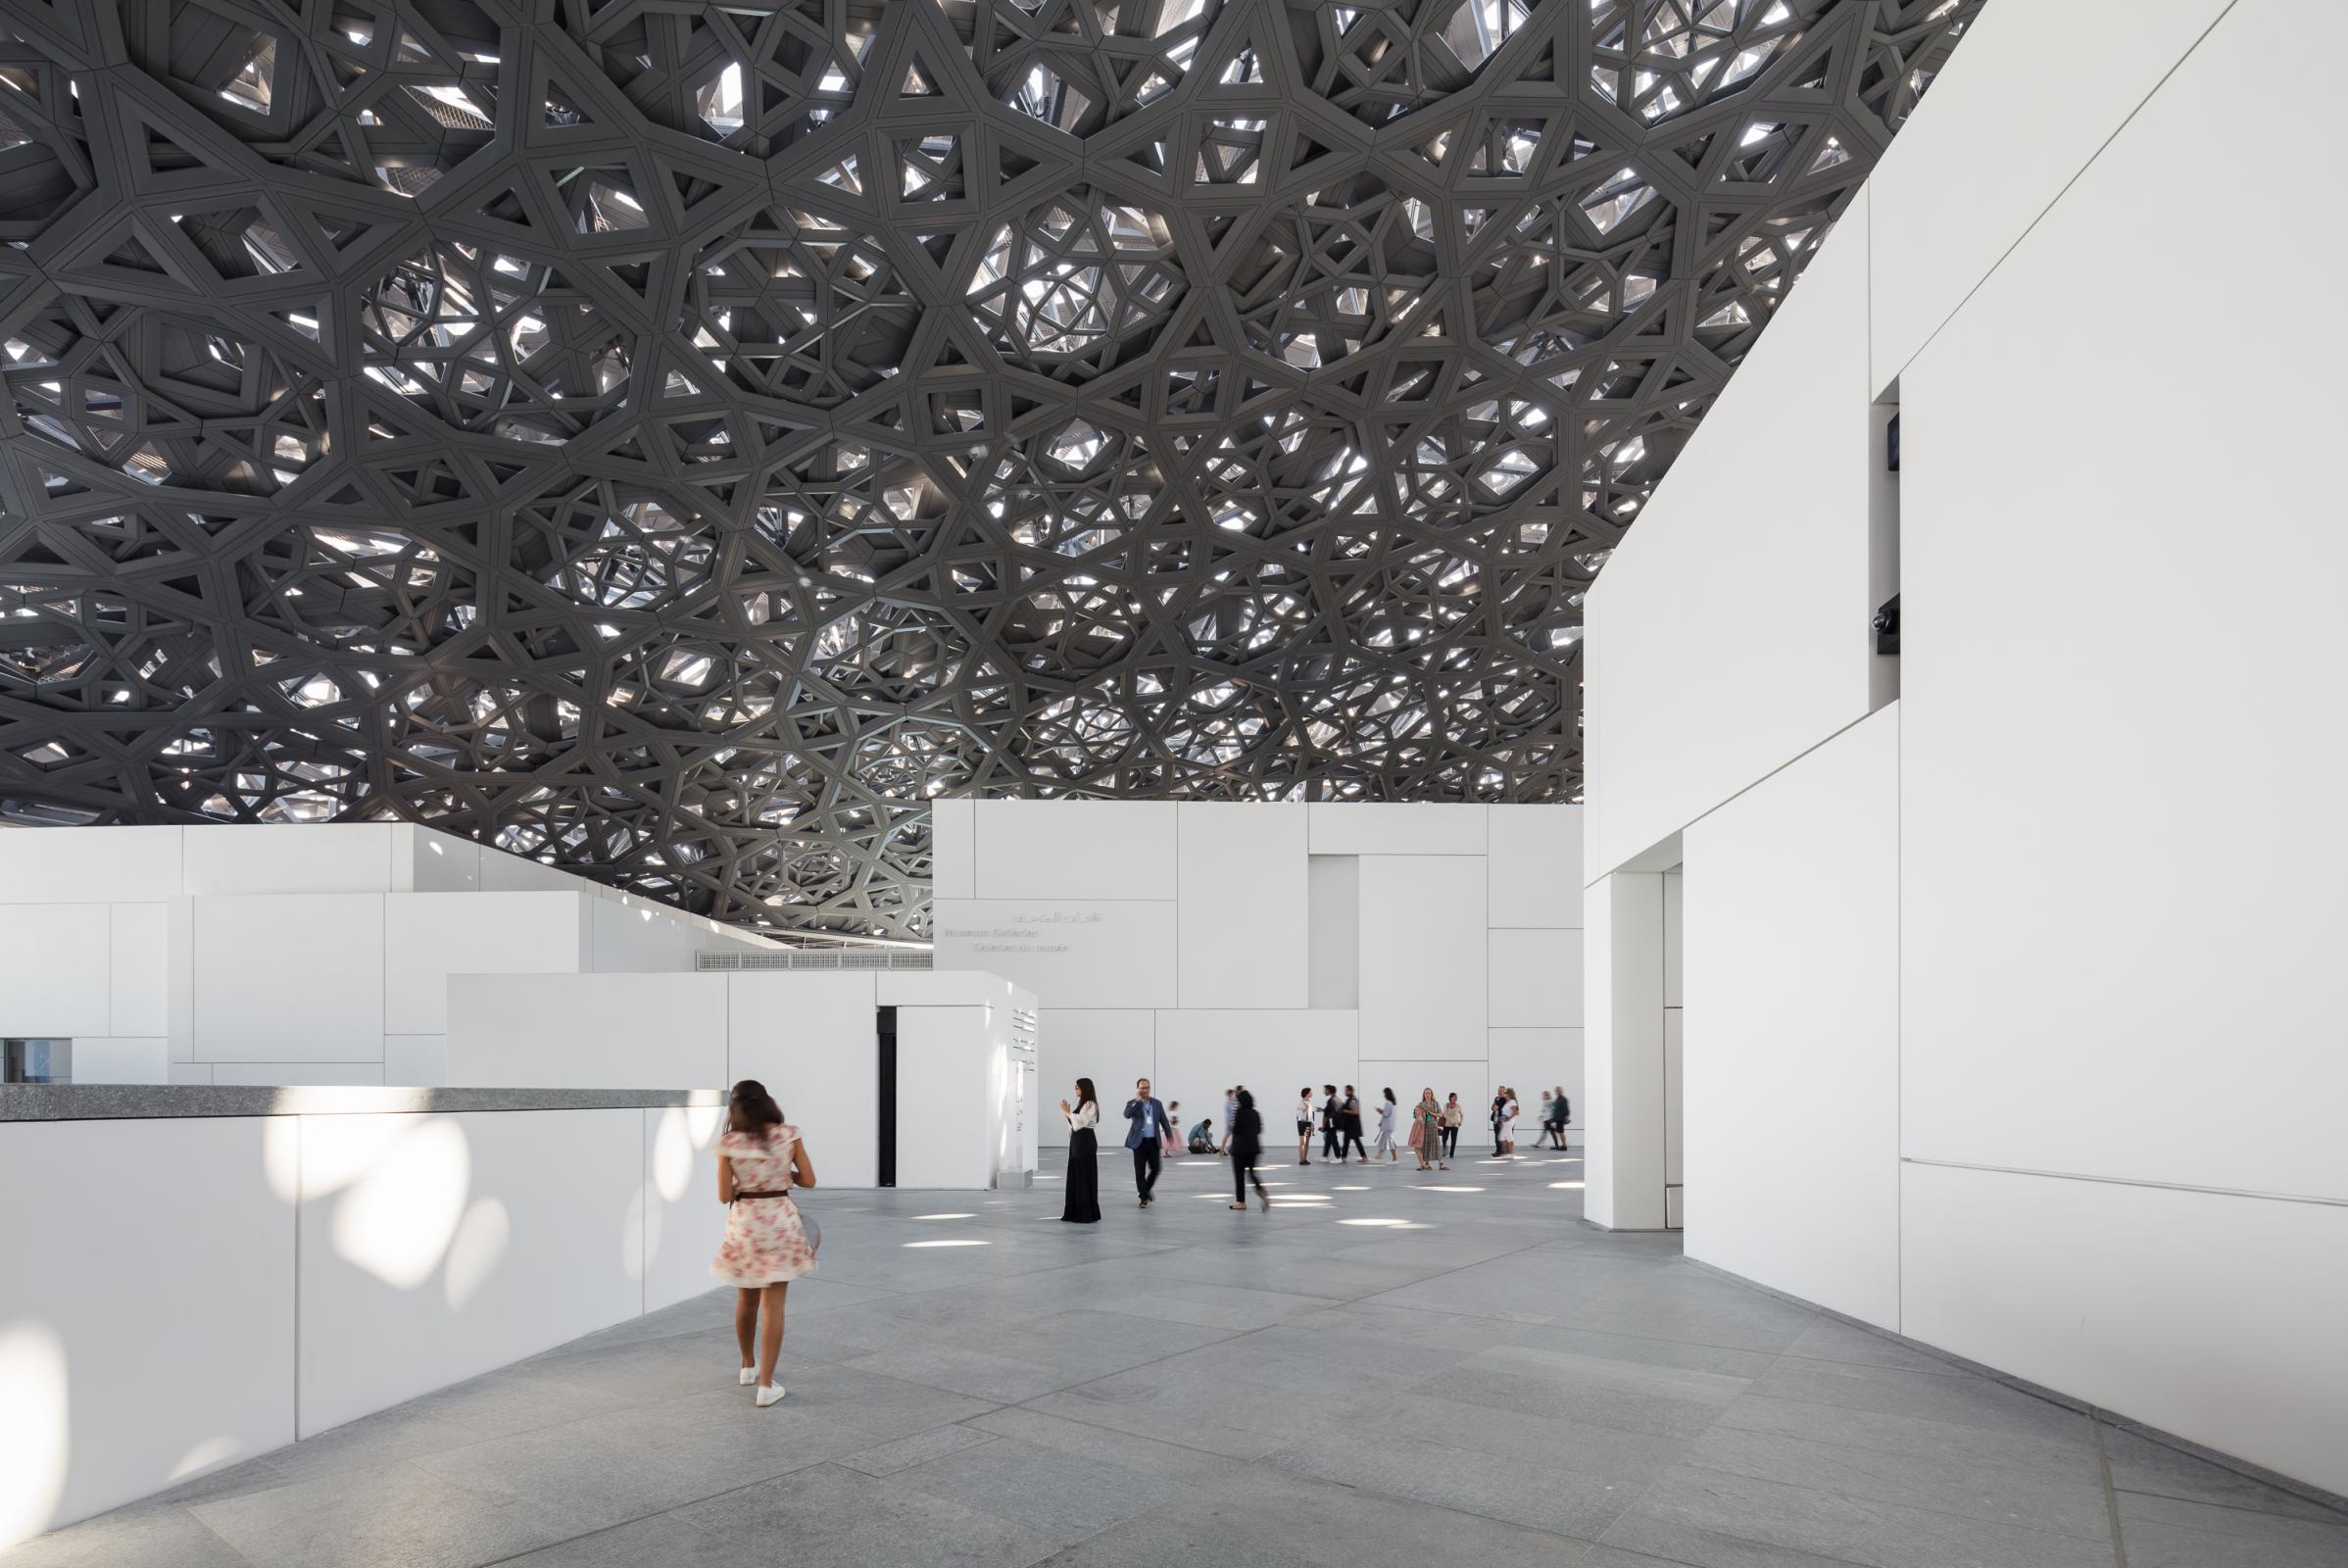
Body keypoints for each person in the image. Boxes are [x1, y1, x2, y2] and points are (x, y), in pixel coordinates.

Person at [711, 1079, 817, 1408]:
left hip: (746, 1223)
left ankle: (747, 1366)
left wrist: (740, 1178)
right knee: (774, 1305)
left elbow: (724, 1196)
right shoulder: (789, 1134)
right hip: (780, 1221)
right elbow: (810, 1180)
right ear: (768, 1101)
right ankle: (767, 1385)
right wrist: (786, 1174)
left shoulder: (729, 1142)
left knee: (746, 1298)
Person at [1124, 1078, 1171, 1206]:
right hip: (1139, 1143)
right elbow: (1127, 1115)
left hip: (1153, 1142)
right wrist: (1136, 1101)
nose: (1145, 1090)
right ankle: (1144, 1198)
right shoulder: (1132, 1103)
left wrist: (1169, 1135)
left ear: (1149, 1088)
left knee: (1156, 1168)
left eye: (1147, 1087)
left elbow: (1164, 1120)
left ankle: (1146, 1190)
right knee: (1140, 1172)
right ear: (1137, 1089)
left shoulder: (1157, 1103)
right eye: (1142, 1088)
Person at [1059, 1077, 1101, 1223]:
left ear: (1085, 1088)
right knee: (1076, 1175)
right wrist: (1068, 1114)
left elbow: (1080, 1122)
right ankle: (1075, 1212)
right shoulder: (1082, 1103)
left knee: (1083, 1176)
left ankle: (1085, 1213)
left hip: (1085, 1142)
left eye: (1078, 1087)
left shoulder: (1090, 1104)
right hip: (1077, 1141)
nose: (1075, 1089)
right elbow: (1074, 1123)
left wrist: (1067, 1112)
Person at [1227, 1088, 1269, 1211]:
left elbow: (1236, 1131)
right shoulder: (1256, 1113)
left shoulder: (1240, 1112)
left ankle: (1241, 1203)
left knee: (1239, 1176)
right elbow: (1259, 1130)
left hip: (1240, 1149)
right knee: (1252, 1173)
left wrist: (1232, 1126)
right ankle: (1261, 1191)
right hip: (1254, 1148)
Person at [1413, 1089, 1445, 1171]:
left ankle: (1441, 1164)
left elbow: (1441, 1114)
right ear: (1423, 1094)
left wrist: (1432, 1114)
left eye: (1429, 1093)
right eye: (1426, 1093)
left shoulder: (1435, 1103)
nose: (1427, 1094)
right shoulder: (1421, 1105)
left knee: (1437, 1144)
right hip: (1424, 1128)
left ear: (1431, 1094)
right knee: (1425, 1145)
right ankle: (1426, 1164)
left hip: (1434, 1127)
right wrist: (1418, 1115)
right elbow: (1415, 1115)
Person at [1340, 1085, 1368, 1163]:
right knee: (1350, 1141)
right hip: (1350, 1125)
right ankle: (1344, 1157)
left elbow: (1356, 1112)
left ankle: (1343, 1157)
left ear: (1350, 1091)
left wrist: (1345, 1111)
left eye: (1346, 1091)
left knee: (1351, 1141)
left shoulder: (1352, 1100)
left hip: (1352, 1125)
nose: (1345, 1092)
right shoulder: (1350, 1099)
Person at [1373, 1087, 1398, 1162]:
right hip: (1390, 1125)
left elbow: (1385, 1114)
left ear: (1386, 1094)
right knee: (1383, 1141)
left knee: (1390, 1142)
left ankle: (1395, 1159)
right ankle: (1378, 1156)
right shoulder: (1393, 1103)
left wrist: (1379, 1110)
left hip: (1387, 1126)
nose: (1383, 1095)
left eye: (1384, 1093)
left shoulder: (1388, 1103)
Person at [1319, 1084, 1342, 1162]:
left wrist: (1323, 1125)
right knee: (1328, 1139)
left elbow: (1327, 1115)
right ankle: (1324, 1156)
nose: (1323, 1092)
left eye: (1325, 1090)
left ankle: (1338, 1157)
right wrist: (1322, 1109)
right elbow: (1333, 1110)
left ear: (1328, 1090)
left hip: (1332, 1123)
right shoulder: (1336, 1099)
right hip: (1335, 1122)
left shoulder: (1331, 1100)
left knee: (1333, 1139)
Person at [1441, 1093, 1463, 1161]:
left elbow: (1462, 1114)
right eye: (1455, 1097)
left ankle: (1451, 1153)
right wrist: (1452, 1122)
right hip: (1447, 1125)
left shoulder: (1458, 1106)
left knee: (1454, 1140)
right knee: (1444, 1138)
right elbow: (1445, 1114)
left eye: (1456, 1097)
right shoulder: (1446, 1105)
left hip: (1455, 1126)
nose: (1456, 1098)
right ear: (1451, 1097)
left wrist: (1460, 1122)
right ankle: (1444, 1148)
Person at [1296, 1087, 1315, 1165]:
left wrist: (1312, 1124)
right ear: (1307, 1093)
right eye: (1310, 1092)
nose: (1312, 1093)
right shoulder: (1301, 1102)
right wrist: (1306, 1109)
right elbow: (1299, 1115)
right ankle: (1301, 1160)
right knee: (1302, 1142)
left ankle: (1305, 1159)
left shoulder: (1309, 1102)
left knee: (1307, 1142)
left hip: (1308, 1123)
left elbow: (1310, 1114)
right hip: (1302, 1123)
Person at [1490, 1089, 1508, 1156]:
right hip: (1495, 1119)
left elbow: (1497, 1108)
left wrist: (1495, 1107)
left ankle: (1499, 1151)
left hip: (1501, 1120)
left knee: (1500, 1136)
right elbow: (1492, 1108)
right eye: (1499, 1090)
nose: (1499, 1092)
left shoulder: (1504, 1099)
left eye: (1501, 1091)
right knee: (1497, 1136)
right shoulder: (1496, 1098)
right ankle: (1500, 1150)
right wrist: (1494, 1107)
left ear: (1504, 1092)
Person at [1221, 1088, 1240, 1153]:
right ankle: (1224, 1149)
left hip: (1233, 1121)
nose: (1233, 1095)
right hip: (1230, 1122)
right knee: (1228, 1135)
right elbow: (1229, 1114)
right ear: (1229, 1095)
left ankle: (1224, 1149)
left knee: (1229, 1135)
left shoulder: (1233, 1102)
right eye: (1232, 1094)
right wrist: (1230, 1123)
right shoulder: (1228, 1103)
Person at [1502, 1088, 1521, 1154]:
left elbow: (1517, 1112)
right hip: (1505, 1122)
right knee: (1505, 1137)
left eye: (1506, 1092)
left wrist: (1508, 1118)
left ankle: (1510, 1154)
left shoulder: (1513, 1101)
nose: (1504, 1094)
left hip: (1509, 1122)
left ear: (1509, 1094)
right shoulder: (1507, 1102)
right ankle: (1508, 1153)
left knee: (1509, 1137)